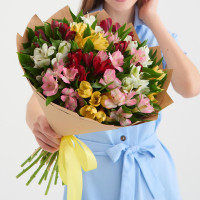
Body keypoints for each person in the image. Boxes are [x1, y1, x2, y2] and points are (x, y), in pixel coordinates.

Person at [26, 0, 200, 199]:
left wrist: (152, 17)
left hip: (149, 174)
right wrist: (39, 123)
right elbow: (36, 101)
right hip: (94, 175)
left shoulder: (154, 35)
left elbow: (191, 87)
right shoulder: (77, 30)